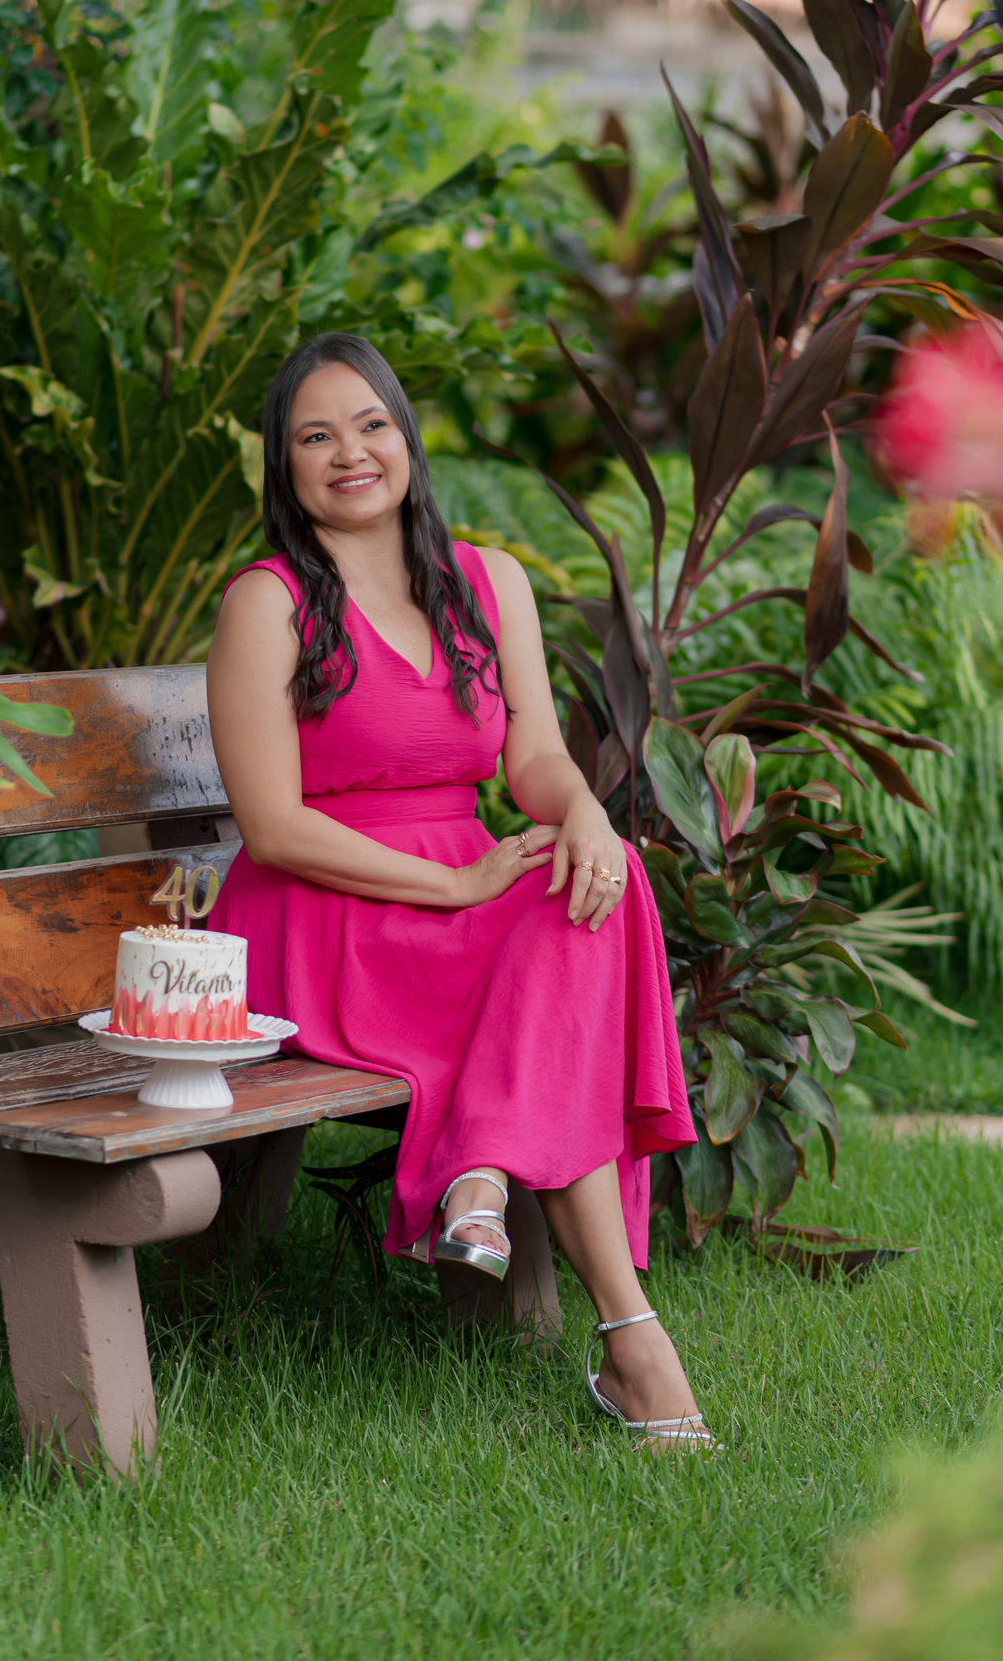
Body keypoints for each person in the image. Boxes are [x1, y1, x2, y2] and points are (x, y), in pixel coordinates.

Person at [206, 332, 713, 1450]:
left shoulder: (489, 582)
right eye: (316, 436)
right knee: (557, 954)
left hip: (459, 886)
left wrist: (583, 812)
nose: (351, 453)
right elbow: (273, 826)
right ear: (285, 465)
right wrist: (454, 881)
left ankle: (487, 1178)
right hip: (319, 907)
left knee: (602, 874)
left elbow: (532, 760)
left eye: (371, 424)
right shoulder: (268, 601)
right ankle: (628, 1339)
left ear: (407, 438)